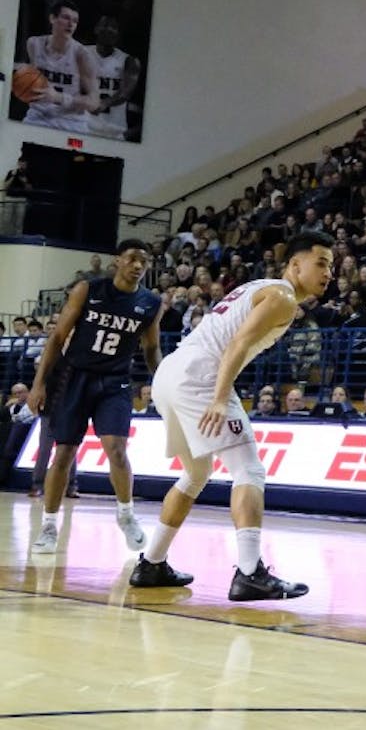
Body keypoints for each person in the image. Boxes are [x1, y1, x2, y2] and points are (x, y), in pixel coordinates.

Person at [128, 231, 335, 600]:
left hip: (172, 373)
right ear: (294, 264)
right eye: (321, 263)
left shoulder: (262, 286)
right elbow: (238, 343)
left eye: (332, 266)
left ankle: (151, 563)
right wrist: (221, 398)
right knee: (249, 470)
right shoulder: (283, 296)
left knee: (196, 473)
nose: (328, 273)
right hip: (201, 376)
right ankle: (250, 572)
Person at [30, 240, 163, 555]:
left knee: (116, 450)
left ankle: (126, 515)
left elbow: (151, 347)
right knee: (63, 453)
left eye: (144, 261)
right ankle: (49, 525)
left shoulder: (151, 303)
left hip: (115, 382)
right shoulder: (87, 290)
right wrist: (39, 384)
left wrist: (164, 378)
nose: (138, 266)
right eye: (132, 258)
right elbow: (58, 337)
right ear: (117, 260)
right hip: (75, 377)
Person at [20, 1, 99, 133]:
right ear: (52, 18)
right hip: (37, 117)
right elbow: (33, 79)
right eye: (66, 18)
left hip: (71, 122)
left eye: (75, 21)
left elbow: (94, 102)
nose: (71, 24)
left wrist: (59, 97)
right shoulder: (33, 44)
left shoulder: (82, 55)